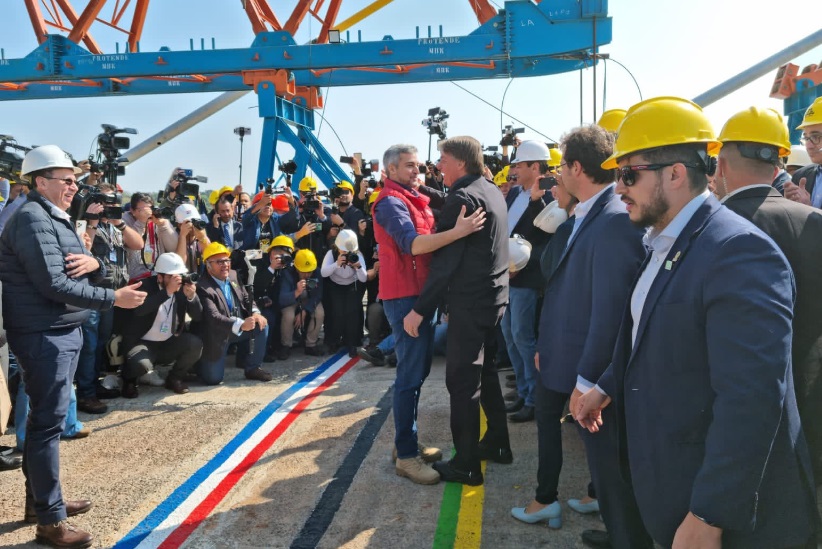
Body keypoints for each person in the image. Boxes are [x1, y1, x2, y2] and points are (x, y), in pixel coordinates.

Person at [576, 97, 818, 549]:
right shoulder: (663, 240)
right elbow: (651, 335)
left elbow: (752, 395)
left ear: (675, 173)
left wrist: (710, 512)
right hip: (672, 482)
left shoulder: (738, 250)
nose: (618, 188)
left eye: (628, 174)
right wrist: (606, 387)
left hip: (724, 514)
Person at [511, 126, 650, 549]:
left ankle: (623, 534)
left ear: (576, 167)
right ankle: (599, 509)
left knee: (609, 460)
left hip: (589, 371)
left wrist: (591, 380)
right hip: (567, 357)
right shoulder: (593, 213)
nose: (555, 174)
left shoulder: (611, 220)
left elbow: (611, 312)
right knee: (599, 459)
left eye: (560, 165)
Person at [0, 145, 146, 548]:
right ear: (40, 181)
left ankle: (45, 504)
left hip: (60, 329)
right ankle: (50, 523)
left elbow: (81, 260)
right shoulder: (32, 219)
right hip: (45, 333)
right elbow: (53, 283)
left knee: (46, 422)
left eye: (74, 180)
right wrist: (113, 297)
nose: (73, 187)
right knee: (46, 426)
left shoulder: (52, 218)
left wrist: (96, 264)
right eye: (66, 180)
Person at [717, 106, 822, 487]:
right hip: (809, 369)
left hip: (737, 392)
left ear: (722, 167)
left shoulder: (714, 227)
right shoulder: (811, 218)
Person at [372, 143, 485, 485]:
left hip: (419, 295)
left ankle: (405, 444)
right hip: (405, 297)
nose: (416, 172)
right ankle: (406, 457)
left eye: (418, 166)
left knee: (416, 372)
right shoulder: (391, 202)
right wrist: (458, 233)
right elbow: (413, 244)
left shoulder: (413, 196)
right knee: (409, 375)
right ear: (389, 171)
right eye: (408, 166)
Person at [405, 136, 511, 486]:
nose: (438, 166)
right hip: (495, 300)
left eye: (443, 159)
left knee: (461, 383)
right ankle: (497, 442)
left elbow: (445, 264)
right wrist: (428, 193)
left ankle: (466, 464)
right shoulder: (489, 189)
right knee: (487, 373)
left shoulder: (462, 199)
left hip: (470, 303)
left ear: (461, 164)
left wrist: (420, 310)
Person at [501, 140, 553, 423]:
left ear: (535, 167)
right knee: (510, 335)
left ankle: (534, 399)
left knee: (523, 336)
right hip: (507, 276)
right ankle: (523, 391)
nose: (515, 171)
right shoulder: (514, 195)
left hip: (526, 278)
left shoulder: (549, 197)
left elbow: (546, 242)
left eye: (520, 165)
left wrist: (521, 265)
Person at [121, 253, 203, 397]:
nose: (177, 280)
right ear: (160, 277)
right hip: (143, 342)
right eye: (173, 277)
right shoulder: (144, 286)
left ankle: (174, 378)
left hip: (168, 341)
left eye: (180, 275)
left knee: (195, 344)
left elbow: (198, 316)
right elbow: (140, 310)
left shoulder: (182, 289)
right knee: (140, 364)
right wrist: (167, 292)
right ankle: (129, 380)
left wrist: (192, 297)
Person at [192, 242, 272, 385]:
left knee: (262, 325)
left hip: (236, 328)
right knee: (213, 379)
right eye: (219, 262)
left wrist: (255, 312)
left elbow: (246, 297)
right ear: (208, 265)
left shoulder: (233, 275)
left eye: (227, 260)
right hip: (216, 335)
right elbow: (213, 318)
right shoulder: (203, 287)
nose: (225, 265)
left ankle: (253, 368)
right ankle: (196, 366)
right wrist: (241, 325)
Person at [320, 229, 367, 356]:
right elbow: (323, 272)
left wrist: (357, 266)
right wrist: (336, 264)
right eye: (343, 250)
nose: (346, 253)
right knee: (336, 313)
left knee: (351, 314)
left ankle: (352, 343)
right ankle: (333, 342)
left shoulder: (358, 255)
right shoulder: (331, 253)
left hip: (352, 286)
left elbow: (364, 278)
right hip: (335, 286)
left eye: (348, 251)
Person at [253, 235, 294, 360]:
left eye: (286, 256)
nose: (283, 259)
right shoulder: (259, 261)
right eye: (281, 255)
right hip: (256, 301)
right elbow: (257, 286)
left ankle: (276, 346)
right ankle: (263, 352)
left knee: (280, 313)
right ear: (272, 253)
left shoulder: (285, 267)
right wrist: (271, 268)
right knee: (269, 317)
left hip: (274, 300)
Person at [122, 192, 179, 281]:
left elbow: (173, 248)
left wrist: (164, 226)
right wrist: (141, 223)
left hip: (156, 277)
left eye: (149, 209)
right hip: (134, 279)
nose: (147, 213)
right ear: (132, 211)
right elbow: (133, 244)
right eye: (142, 210)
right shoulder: (125, 223)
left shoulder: (157, 223)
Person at [279, 249, 326, 358]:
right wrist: (297, 291)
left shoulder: (317, 272)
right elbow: (282, 298)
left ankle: (311, 344)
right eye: (303, 271)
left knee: (319, 313)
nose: (307, 274)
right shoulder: (287, 273)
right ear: (296, 268)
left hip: (308, 299)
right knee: (288, 315)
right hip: (293, 298)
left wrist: (305, 311)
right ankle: (286, 345)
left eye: (309, 271)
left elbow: (318, 295)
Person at [784, 96, 822, 207]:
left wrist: (808, 210)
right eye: (806, 138)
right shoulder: (800, 176)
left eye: (816, 137)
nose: (809, 146)